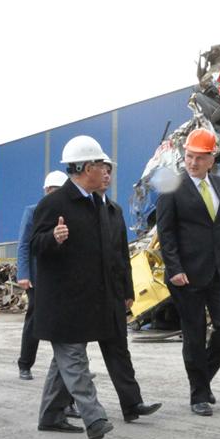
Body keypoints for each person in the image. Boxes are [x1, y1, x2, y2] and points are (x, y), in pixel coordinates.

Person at [31, 135, 121, 439]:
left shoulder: (96, 203)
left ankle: (50, 415)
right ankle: (93, 416)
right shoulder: (53, 204)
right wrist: (53, 238)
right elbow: (34, 245)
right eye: (99, 164)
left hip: (88, 300)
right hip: (62, 302)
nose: (105, 171)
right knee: (74, 360)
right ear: (84, 167)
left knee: (65, 361)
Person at [155, 128, 220, 417]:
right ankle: (199, 396)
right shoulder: (172, 187)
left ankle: (202, 379)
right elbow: (166, 234)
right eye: (189, 156)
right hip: (187, 276)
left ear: (211, 159)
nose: (192, 163)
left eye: (199, 158)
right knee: (193, 334)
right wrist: (174, 269)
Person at [95, 159, 162, 423]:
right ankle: (58, 405)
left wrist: (128, 291)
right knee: (72, 355)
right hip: (87, 294)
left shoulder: (114, 210)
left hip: (111, 293)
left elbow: (123, 254)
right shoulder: (80, 209)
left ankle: (132, 404)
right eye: (102, 169)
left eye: (110, 170)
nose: (107, 175)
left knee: (119, 350)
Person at [16, 170, 68, 380]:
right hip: (38, 278)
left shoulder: (68, 212)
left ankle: (66, 366)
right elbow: (23, 245)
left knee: (65, 323)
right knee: (35, 319)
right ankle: (25, 363)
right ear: (46, 190)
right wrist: (24, 274)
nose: (55, 194)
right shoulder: (33, 211)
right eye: (53, 190)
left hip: (62, 276)